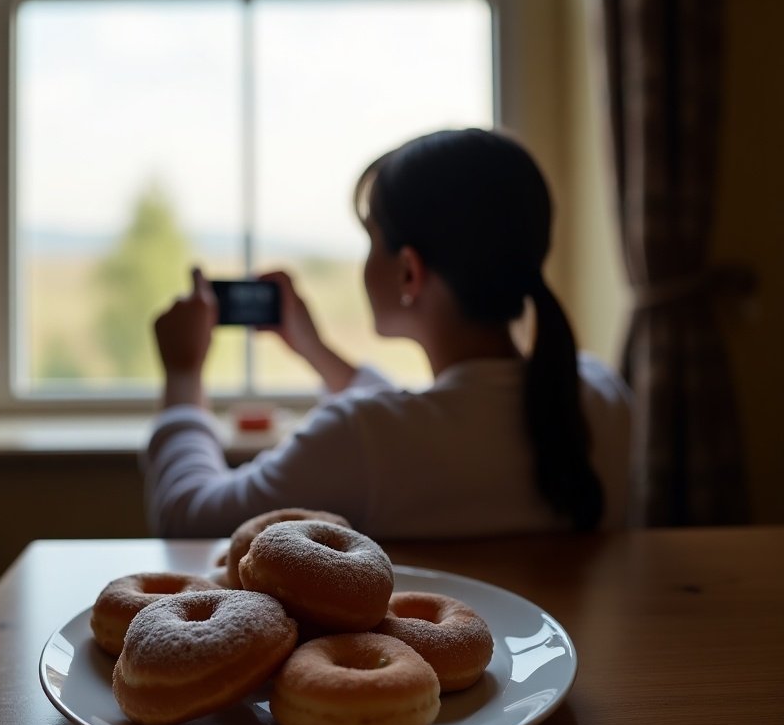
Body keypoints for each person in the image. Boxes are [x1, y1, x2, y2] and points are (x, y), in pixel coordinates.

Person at [142, 127, 632, 540]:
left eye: (371, 239)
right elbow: (434, 424)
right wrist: (316, 352)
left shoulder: (361, 440)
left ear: (408, 273)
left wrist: (183, 375)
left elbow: (189, 518)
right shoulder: (601, 396)